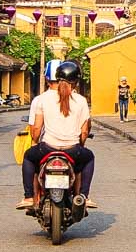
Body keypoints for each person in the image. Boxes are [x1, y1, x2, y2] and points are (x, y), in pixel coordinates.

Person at [17, 60, 97, 210]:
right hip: (72, 149)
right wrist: (80, 145)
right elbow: (85, 131)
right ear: (76, 82)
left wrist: (35, 141)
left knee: (28, 156)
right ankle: (84, 196)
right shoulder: (81, 101)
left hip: (48, 148)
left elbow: (37, 129)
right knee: (89, 158)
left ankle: (28, 197)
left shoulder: (43, 99)